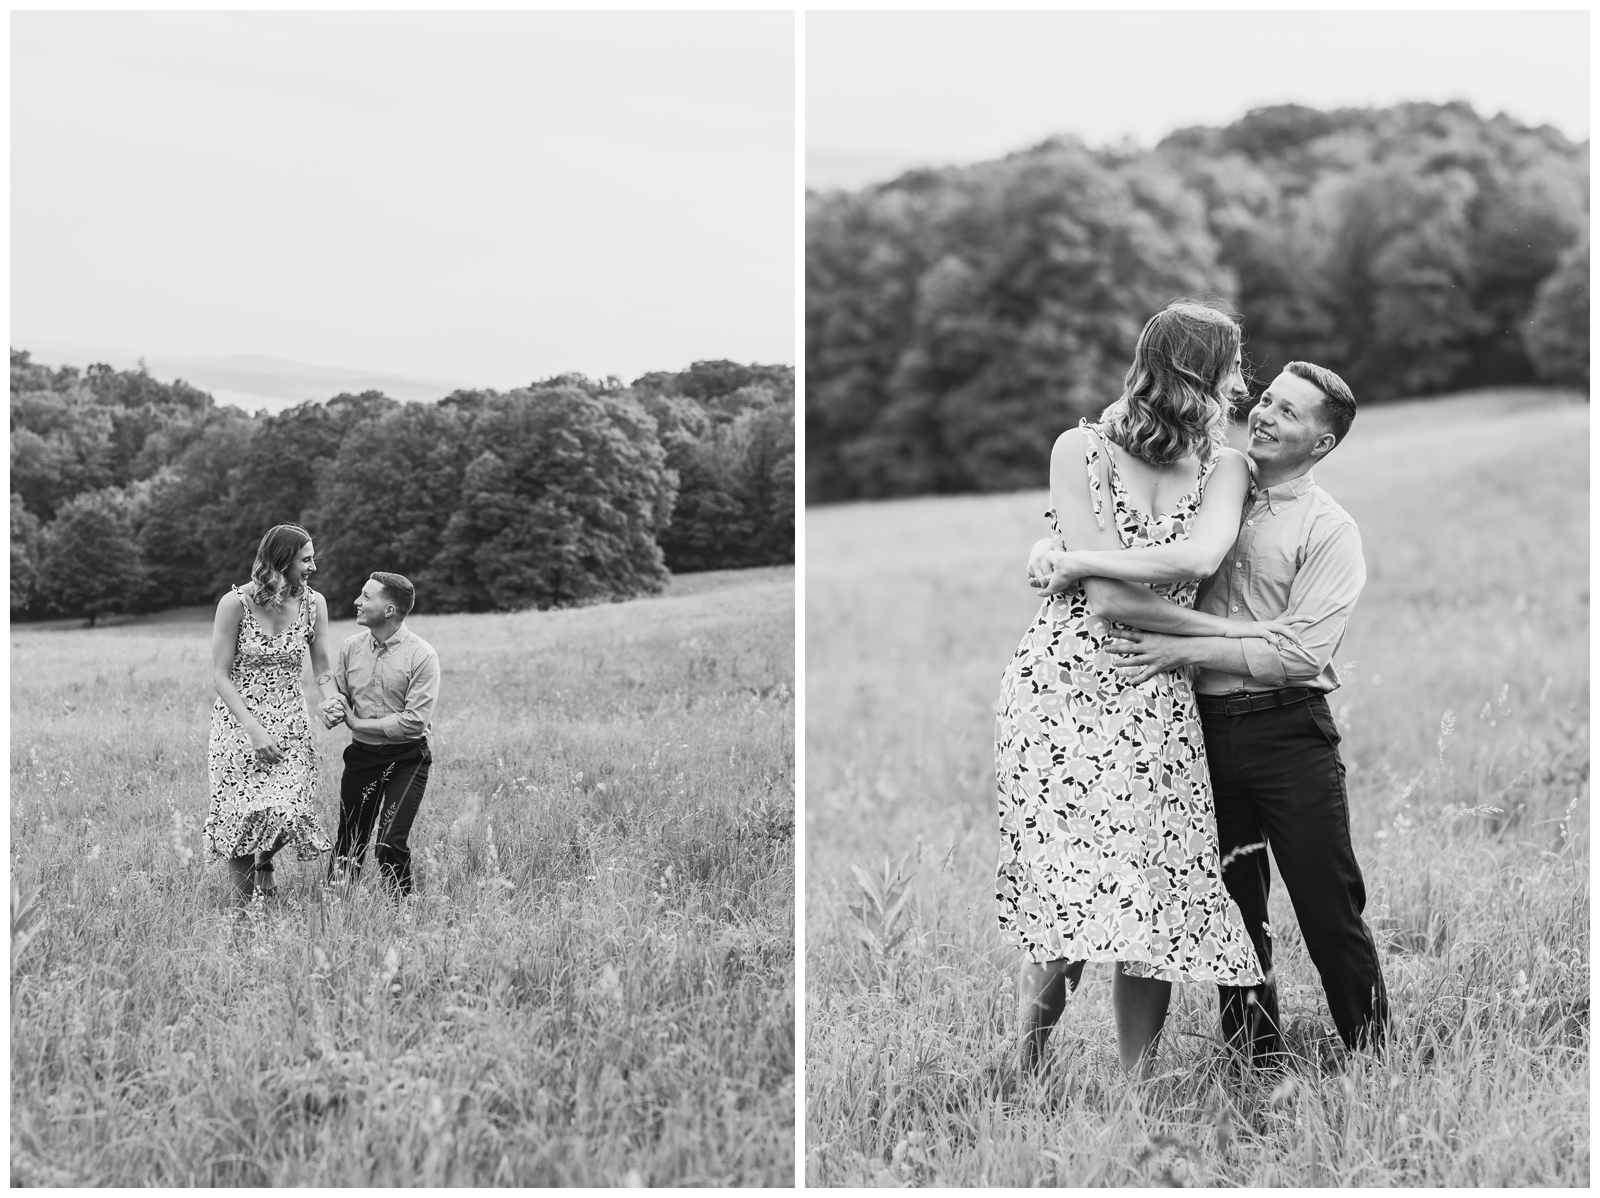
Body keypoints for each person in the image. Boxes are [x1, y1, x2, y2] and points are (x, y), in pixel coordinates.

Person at [1041, 362, 1389, 1064]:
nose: (1263, 414)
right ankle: (1255, 1058)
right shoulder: (1210, 495)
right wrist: (1055, 549)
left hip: (1289, 731)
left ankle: (1374, 1052)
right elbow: (1136, 550)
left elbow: (1300, 652)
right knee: (1236, 910)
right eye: (1265, 400)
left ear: (1320, 443)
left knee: (1328, 907)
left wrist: (1186, 647)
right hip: (1201, 733)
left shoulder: (1329, 530)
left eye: (1288, 413)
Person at [996, 299, 1298, 1079]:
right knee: (1074, 892)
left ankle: (1136, 1089)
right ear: (1209, 372)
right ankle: (1022, 1067)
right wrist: (1198, 631)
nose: (1241, 385)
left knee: (1153, 891)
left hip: (1159, 695)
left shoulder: (1226, 466)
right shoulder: (1080, 449)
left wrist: (1077, 562)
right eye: (1234, 368)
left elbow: (1200, 561)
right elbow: (1107, 602)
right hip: (1062, 691)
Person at [206, 524, 336, 903]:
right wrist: (253, 730)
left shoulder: (315, 604)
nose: (313, 566)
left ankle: (265, 862)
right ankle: (244, 909)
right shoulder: (235, 604)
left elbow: (323, 667)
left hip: (291, 723)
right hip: (239, 724)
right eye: (306, 559)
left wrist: (329, 698)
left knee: (290, 808)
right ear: (282, 561)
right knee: (240, 815)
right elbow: (219, 675)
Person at [319, 571, 440, 897]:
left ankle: (403, 910)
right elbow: (341, 693)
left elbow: (414, 722)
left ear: (389, 610)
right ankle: (335, 909)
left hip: (407, 759)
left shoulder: (422, 655)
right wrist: (332, 706)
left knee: (390, 842)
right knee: (349, 839)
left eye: (366, 596)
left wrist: (357, 724)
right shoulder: (351, 648)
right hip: (362, 758)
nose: (358, 601)